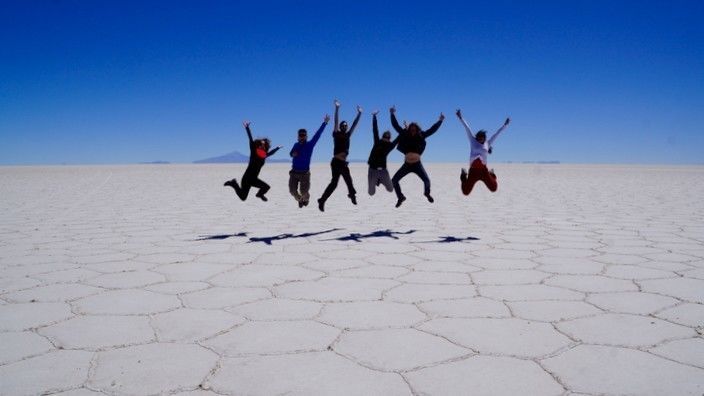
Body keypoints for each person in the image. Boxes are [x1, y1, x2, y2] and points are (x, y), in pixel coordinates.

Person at [390, 106, 444, 207]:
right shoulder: (405, 134)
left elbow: (432, 130)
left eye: (414, 129)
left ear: (417, 129)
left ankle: (427, 193)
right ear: (409, 129)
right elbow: (396, 126)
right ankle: (400, 197)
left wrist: (440, 121)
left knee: (427, 180)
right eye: (411, 129)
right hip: (407, 165)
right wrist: (392, 114)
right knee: (394, 180)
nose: (413, 131)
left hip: (417, 165)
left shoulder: (421, 135)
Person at [317, 100, 362, 212]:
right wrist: (337, 108)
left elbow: (354, 124)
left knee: (342, 182)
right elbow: (336, 122)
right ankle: (351, 195)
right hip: (337, 162)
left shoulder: (348, 135)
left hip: (341, 162)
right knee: (341, 182)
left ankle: (322, 200)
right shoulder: (336, 134)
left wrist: (359, 114)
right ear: (341, 126)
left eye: (346, 125)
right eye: (343, 125)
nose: (345, 126)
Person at [455, 109, 511, 195]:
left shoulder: (487, 143)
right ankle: (463, 175)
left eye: (482, 138)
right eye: (479, 137)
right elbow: (467, 127)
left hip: (484, 171)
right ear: (476, 137)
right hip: (473, 171)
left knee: (494, 188)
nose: (481, 139)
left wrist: (505, 125)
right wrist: (460, 117)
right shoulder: (473, 141)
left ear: (485, 138)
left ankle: (492, 174)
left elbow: (497, 133)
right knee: (465, 192)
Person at [224, 121, 281, 202]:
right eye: (261, 144)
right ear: (258, 144)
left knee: (266, 187)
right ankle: (234, 184)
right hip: (246, 179)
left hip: (254, 179)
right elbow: (250, 138)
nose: (262, 145)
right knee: (243, 197)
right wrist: (247, 128)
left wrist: (277, 148)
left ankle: (259, 194)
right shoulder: (254, 151)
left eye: (264, 144)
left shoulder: (264, 155)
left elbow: (270, 153)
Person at [289, 114, 331, 208]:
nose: (302, 137)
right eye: (300, 135)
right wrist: (293, 154)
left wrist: (325, 123)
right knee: (293, 191)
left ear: (306, 136)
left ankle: (306, 198)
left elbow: (318, 134)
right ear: (298, 136)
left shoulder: (310, 145)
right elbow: (290, 153)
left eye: (304, 135)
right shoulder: (296, 145)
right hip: (294, 172)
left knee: (304, 192)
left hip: (304, 174)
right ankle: (300, 200)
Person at [367, 110, 399, 195]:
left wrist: (405, 130)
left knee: (391, 189)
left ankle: (380, 180)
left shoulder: (390, 146)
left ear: (389, 139)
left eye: (388, 138)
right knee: (371, 193)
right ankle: (377, 180)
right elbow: (375, 130)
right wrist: (374, 117)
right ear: (383, 137)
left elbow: (397, 140)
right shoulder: (377, 141)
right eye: (385, 137)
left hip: (383, 171)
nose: (386, 139)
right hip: (373, 170)